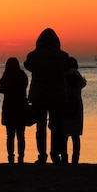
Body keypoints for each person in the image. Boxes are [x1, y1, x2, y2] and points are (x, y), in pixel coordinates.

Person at [24, 28, 71, 164]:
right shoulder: (63, 56)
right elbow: (67, 68)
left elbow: (28, 66)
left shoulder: (33, 55)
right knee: (56, 126)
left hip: (39, 95)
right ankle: (55, 154)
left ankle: (42, 154)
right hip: (57, 95)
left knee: (41, 127)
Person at [0, 57, 29, 164]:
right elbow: (25, 86)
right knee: (21, 134)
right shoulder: (22, 76)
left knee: (10, 135)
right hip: (21, 106)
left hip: (9, 107)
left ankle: (10, 155)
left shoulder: (6, 77)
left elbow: (0, 89)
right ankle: (21, 155)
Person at [60, 57, 87, 164]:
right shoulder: (78, 77)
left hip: (65, 105)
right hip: (76, 106)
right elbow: (82, 85)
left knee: (64, 134)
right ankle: (75, 158)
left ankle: (64, 157)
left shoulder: (63, 76)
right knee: (76, 135)